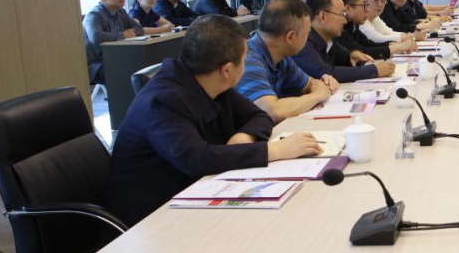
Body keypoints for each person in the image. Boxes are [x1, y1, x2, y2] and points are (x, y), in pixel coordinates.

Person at [105, 15, 323, 226]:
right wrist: (275, 150)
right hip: (150, 217)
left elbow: (258, 115)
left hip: (195, 193)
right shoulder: (163, 100)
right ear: (227, 69)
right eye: (244, 59)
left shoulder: (212, 81)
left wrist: (244, 136)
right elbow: (198, 160)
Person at [236, 0, 339, 123]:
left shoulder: (282, 57)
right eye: (307, 33)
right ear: (290, 37)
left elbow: (311, 84)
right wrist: (317, 96)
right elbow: (272, 111)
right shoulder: (247, 59)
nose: (308, 38)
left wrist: (322, 84)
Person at [294, 0, 392, 83]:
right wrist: (374, 70)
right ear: (323, 16)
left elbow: (345, 56)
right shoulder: (303, 42)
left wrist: (352, 55)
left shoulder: (328, 38)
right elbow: (325, 73)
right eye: (342, 14)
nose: (345, 21)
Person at [83, 0, 147, 85]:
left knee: (142, 67)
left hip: (114, 58)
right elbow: (96, 37)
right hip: (96, 64)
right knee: (126, 74)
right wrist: (124, 34)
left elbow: (139, 29)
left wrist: (126, 33)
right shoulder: (94, 15)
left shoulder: (121, 12)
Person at [335, 0, 412, 61]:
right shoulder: (340, 28)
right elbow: (361, 51)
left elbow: (368, 44)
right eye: (365, 5)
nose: (368, 10)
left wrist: (390, 44)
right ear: (348, 8)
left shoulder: (353, 24)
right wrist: (398, 47)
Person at [361, 0, 425, 45]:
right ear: (365, 2)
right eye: (376, 0)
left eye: (382, 1)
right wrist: (413, 36)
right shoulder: (361, 21)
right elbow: (378, 39)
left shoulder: (376, 18)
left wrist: (410, 35)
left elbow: (389, 32)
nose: (380, 4)